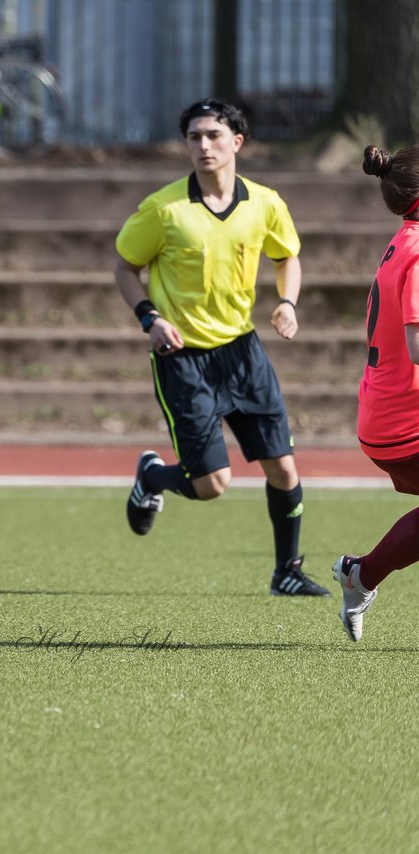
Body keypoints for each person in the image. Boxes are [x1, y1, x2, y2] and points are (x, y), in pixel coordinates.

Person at [115, 98, 329, 597]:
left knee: (284, 466)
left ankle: (286, 572)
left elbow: (287, 255)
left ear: (237, 141)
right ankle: (153, 477)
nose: (203, 145)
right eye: (194, 137)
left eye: (213, 135)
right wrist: (150, 318)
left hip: (243, 352)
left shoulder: (265, 203)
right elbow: (125, 268)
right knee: (212, 485)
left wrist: (287, 302)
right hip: (183, 358)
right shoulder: (163, 209)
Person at [331, 144, 419, 641]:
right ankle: (361, 574)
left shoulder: (406, 239)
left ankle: (359, 574)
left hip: (389, 410)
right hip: (405, 419)